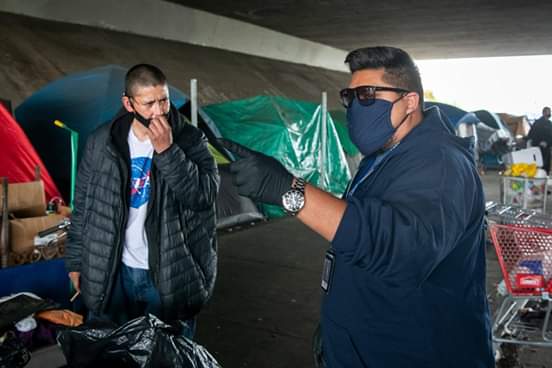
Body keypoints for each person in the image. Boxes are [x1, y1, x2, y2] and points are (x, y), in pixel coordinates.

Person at [221, 47, 493, 367]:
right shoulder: (384, 154)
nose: (355, 106)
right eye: (350, 96)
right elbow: (356, 228)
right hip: (361, 346)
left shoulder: (440, 162)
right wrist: (339, 328)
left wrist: (288, 190)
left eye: (368, 95)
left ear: (410, 101)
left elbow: (400, 248)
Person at [65, 64, 219, 338]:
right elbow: (84, 205)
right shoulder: (103, 142)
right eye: (149, 104)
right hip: (114, 271)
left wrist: (168, 151)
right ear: (128, 103)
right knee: (114, 349)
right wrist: (76, 261)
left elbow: (203, 197)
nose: (159, 112)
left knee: (168, 352)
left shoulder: (190, 139)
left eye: (164, 100)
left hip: (166, 273)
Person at [527, 106, 552, 173]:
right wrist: (539, 142)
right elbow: (531, 135)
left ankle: (544, 179)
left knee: (546, 167)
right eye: (548, 111)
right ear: (543, 113)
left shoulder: (550, 123)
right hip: (538, 149)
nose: (550, 113)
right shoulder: (537, 123)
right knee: (538, 166)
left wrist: (548, 143)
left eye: (550, 111)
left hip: (547, 149)